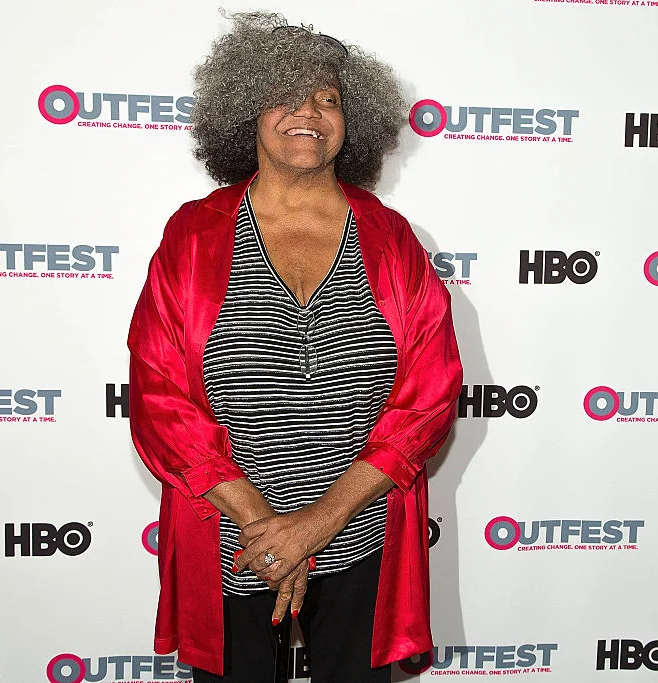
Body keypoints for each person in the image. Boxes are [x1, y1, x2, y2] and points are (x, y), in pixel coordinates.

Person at [127, 12, 463, 682]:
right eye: (285, 94)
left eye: (328, 98)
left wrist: (315, 523)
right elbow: (158, 396)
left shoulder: (393, 240)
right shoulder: (194, 235)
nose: (307, 112)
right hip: (233, 539)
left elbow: (429, 395)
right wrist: (265, 525)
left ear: (352, 120)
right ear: (246, 112)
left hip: (358, 535)